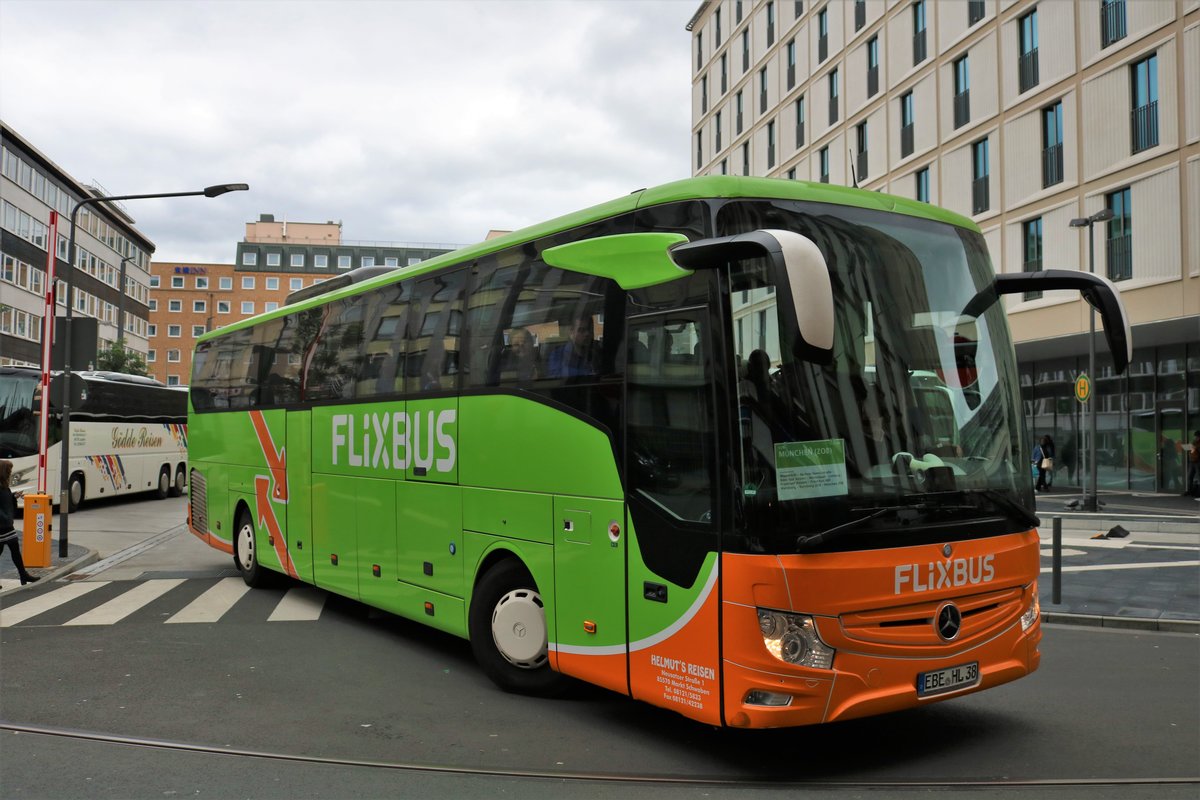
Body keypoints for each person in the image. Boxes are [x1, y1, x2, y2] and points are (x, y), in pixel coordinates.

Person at [0, 459, 40, 588]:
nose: (10, 472)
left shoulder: (4, 485)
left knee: (14, 550)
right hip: (3, 525)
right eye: (9, 470)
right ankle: (23, 575)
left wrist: (14, 496)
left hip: (5, 524)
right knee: (14, 550)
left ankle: (23, 575)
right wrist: (5, 518)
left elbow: (6, 501)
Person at [1185, 430, 1200, 497]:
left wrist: (1196, 448)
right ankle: (1189, 491)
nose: (1196, 438)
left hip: (1198, 461)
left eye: (1197, 437)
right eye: (1195, 436)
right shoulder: (1194, 442)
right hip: (1192, 461)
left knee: (1199, 477)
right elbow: (1191, 450)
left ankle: (1198, 492)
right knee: (1189, 477)